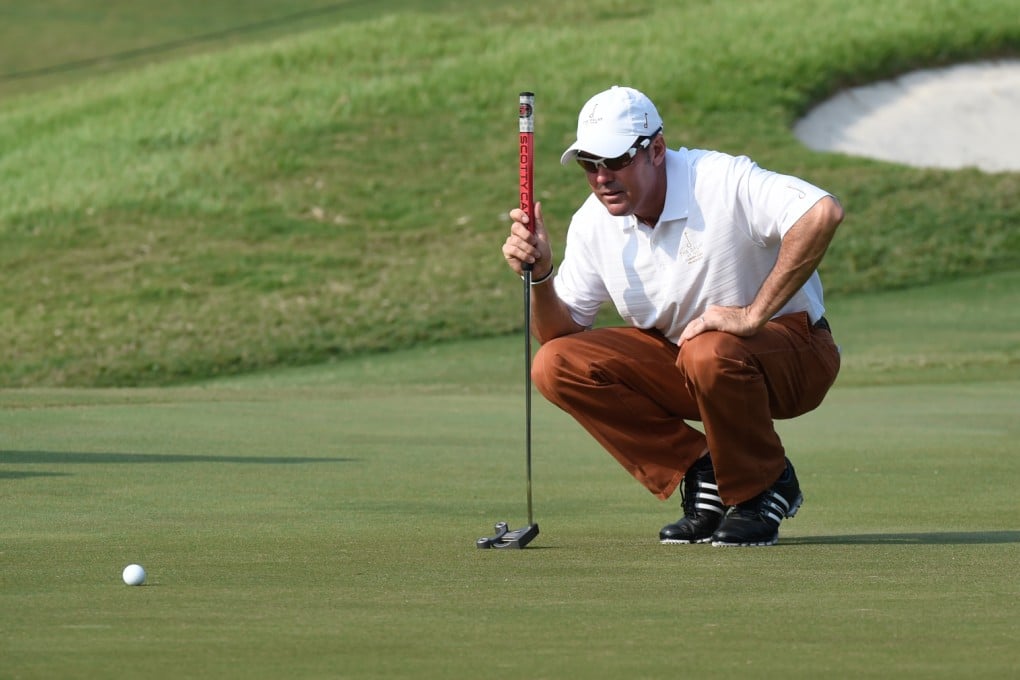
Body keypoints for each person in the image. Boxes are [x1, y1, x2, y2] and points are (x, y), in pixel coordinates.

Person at [501, 85, 843, 547]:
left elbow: (822, 212)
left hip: (795, 358)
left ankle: (764, 486)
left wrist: (752, 315)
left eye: (616, 160)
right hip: (695, 364)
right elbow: (558, 335)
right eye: (589, 164)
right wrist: (541, 275)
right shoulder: (592, 223)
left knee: (709, 350)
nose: (602, 178)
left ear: (657, 150)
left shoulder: (719, 181)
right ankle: (705, 470)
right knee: (555, 364)